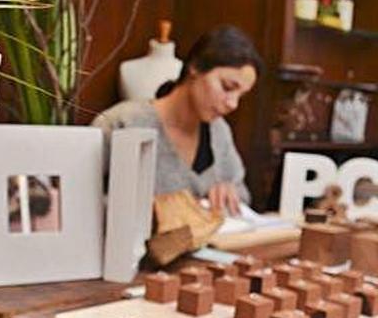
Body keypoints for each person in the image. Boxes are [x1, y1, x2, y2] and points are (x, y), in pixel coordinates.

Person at [93, 24, 263, 215]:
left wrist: (228, 193)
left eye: (241, 95)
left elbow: (242, 195)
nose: (233, 104)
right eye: (227, 87)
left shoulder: (218, 130)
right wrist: (151, 211)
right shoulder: (122, 122)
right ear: (195, 68)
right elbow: (79, 197)